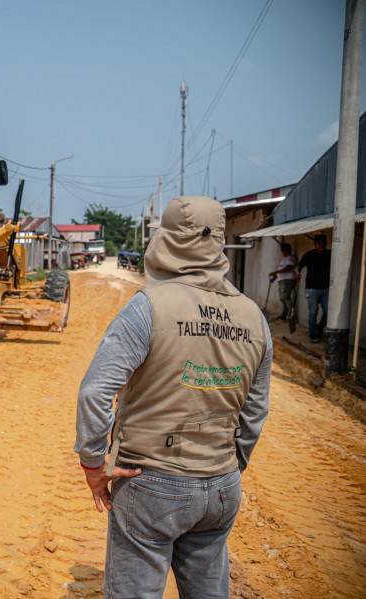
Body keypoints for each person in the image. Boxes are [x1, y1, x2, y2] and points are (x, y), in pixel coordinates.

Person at [74, 196, 272, 598]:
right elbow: (254, 412)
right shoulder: (255, 317)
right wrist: (226, 468)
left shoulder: (148, 308)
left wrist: (93, 464)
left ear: (165, 241)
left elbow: (96, 392)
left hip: (150, 486)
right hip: (221, 488)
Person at [297, 235, 331, 342]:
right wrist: (297, 272)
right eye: (319, 244)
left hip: (324, 289)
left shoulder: (329, 254)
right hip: (311, 289)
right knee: (313, 312)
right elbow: (300, 265)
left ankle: (319, 328)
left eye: (323, 244)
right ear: (315, 244)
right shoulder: (309, 255)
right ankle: (313, 335)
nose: (321, 246)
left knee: (328, 311)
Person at [269, 243, 298, 321]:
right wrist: (274, 278)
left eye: (284, 250)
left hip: (287, 280)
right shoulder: (283, 259)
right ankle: (284, 314)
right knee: (282, 298)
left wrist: (275, 273)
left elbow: (288, 268)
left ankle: (290, 315)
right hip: (282, 281)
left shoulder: (290, 258)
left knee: (285, 297)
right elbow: (280, 271)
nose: (283, 252)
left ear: (288, 250)